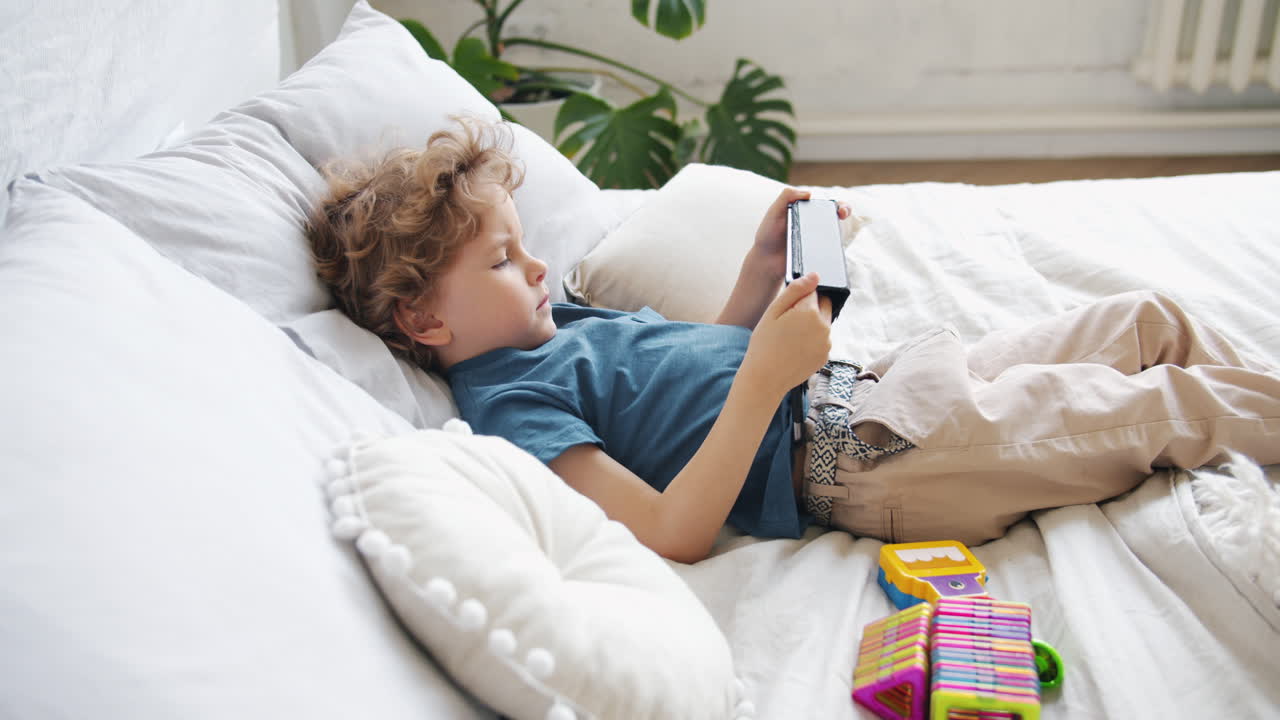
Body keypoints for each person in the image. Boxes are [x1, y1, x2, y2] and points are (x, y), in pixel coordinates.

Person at [307, 117, 1280, 564]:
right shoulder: (509, 406)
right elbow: (671, 532)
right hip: (860, 463)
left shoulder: (557, 324)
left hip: (874, 392)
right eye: (500, 260)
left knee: (1145, 319)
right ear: (424, 322)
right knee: (1154, 409)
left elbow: (703, 361)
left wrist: (763, 266)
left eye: (521, 248)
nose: (531, 268)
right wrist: (766, 379)